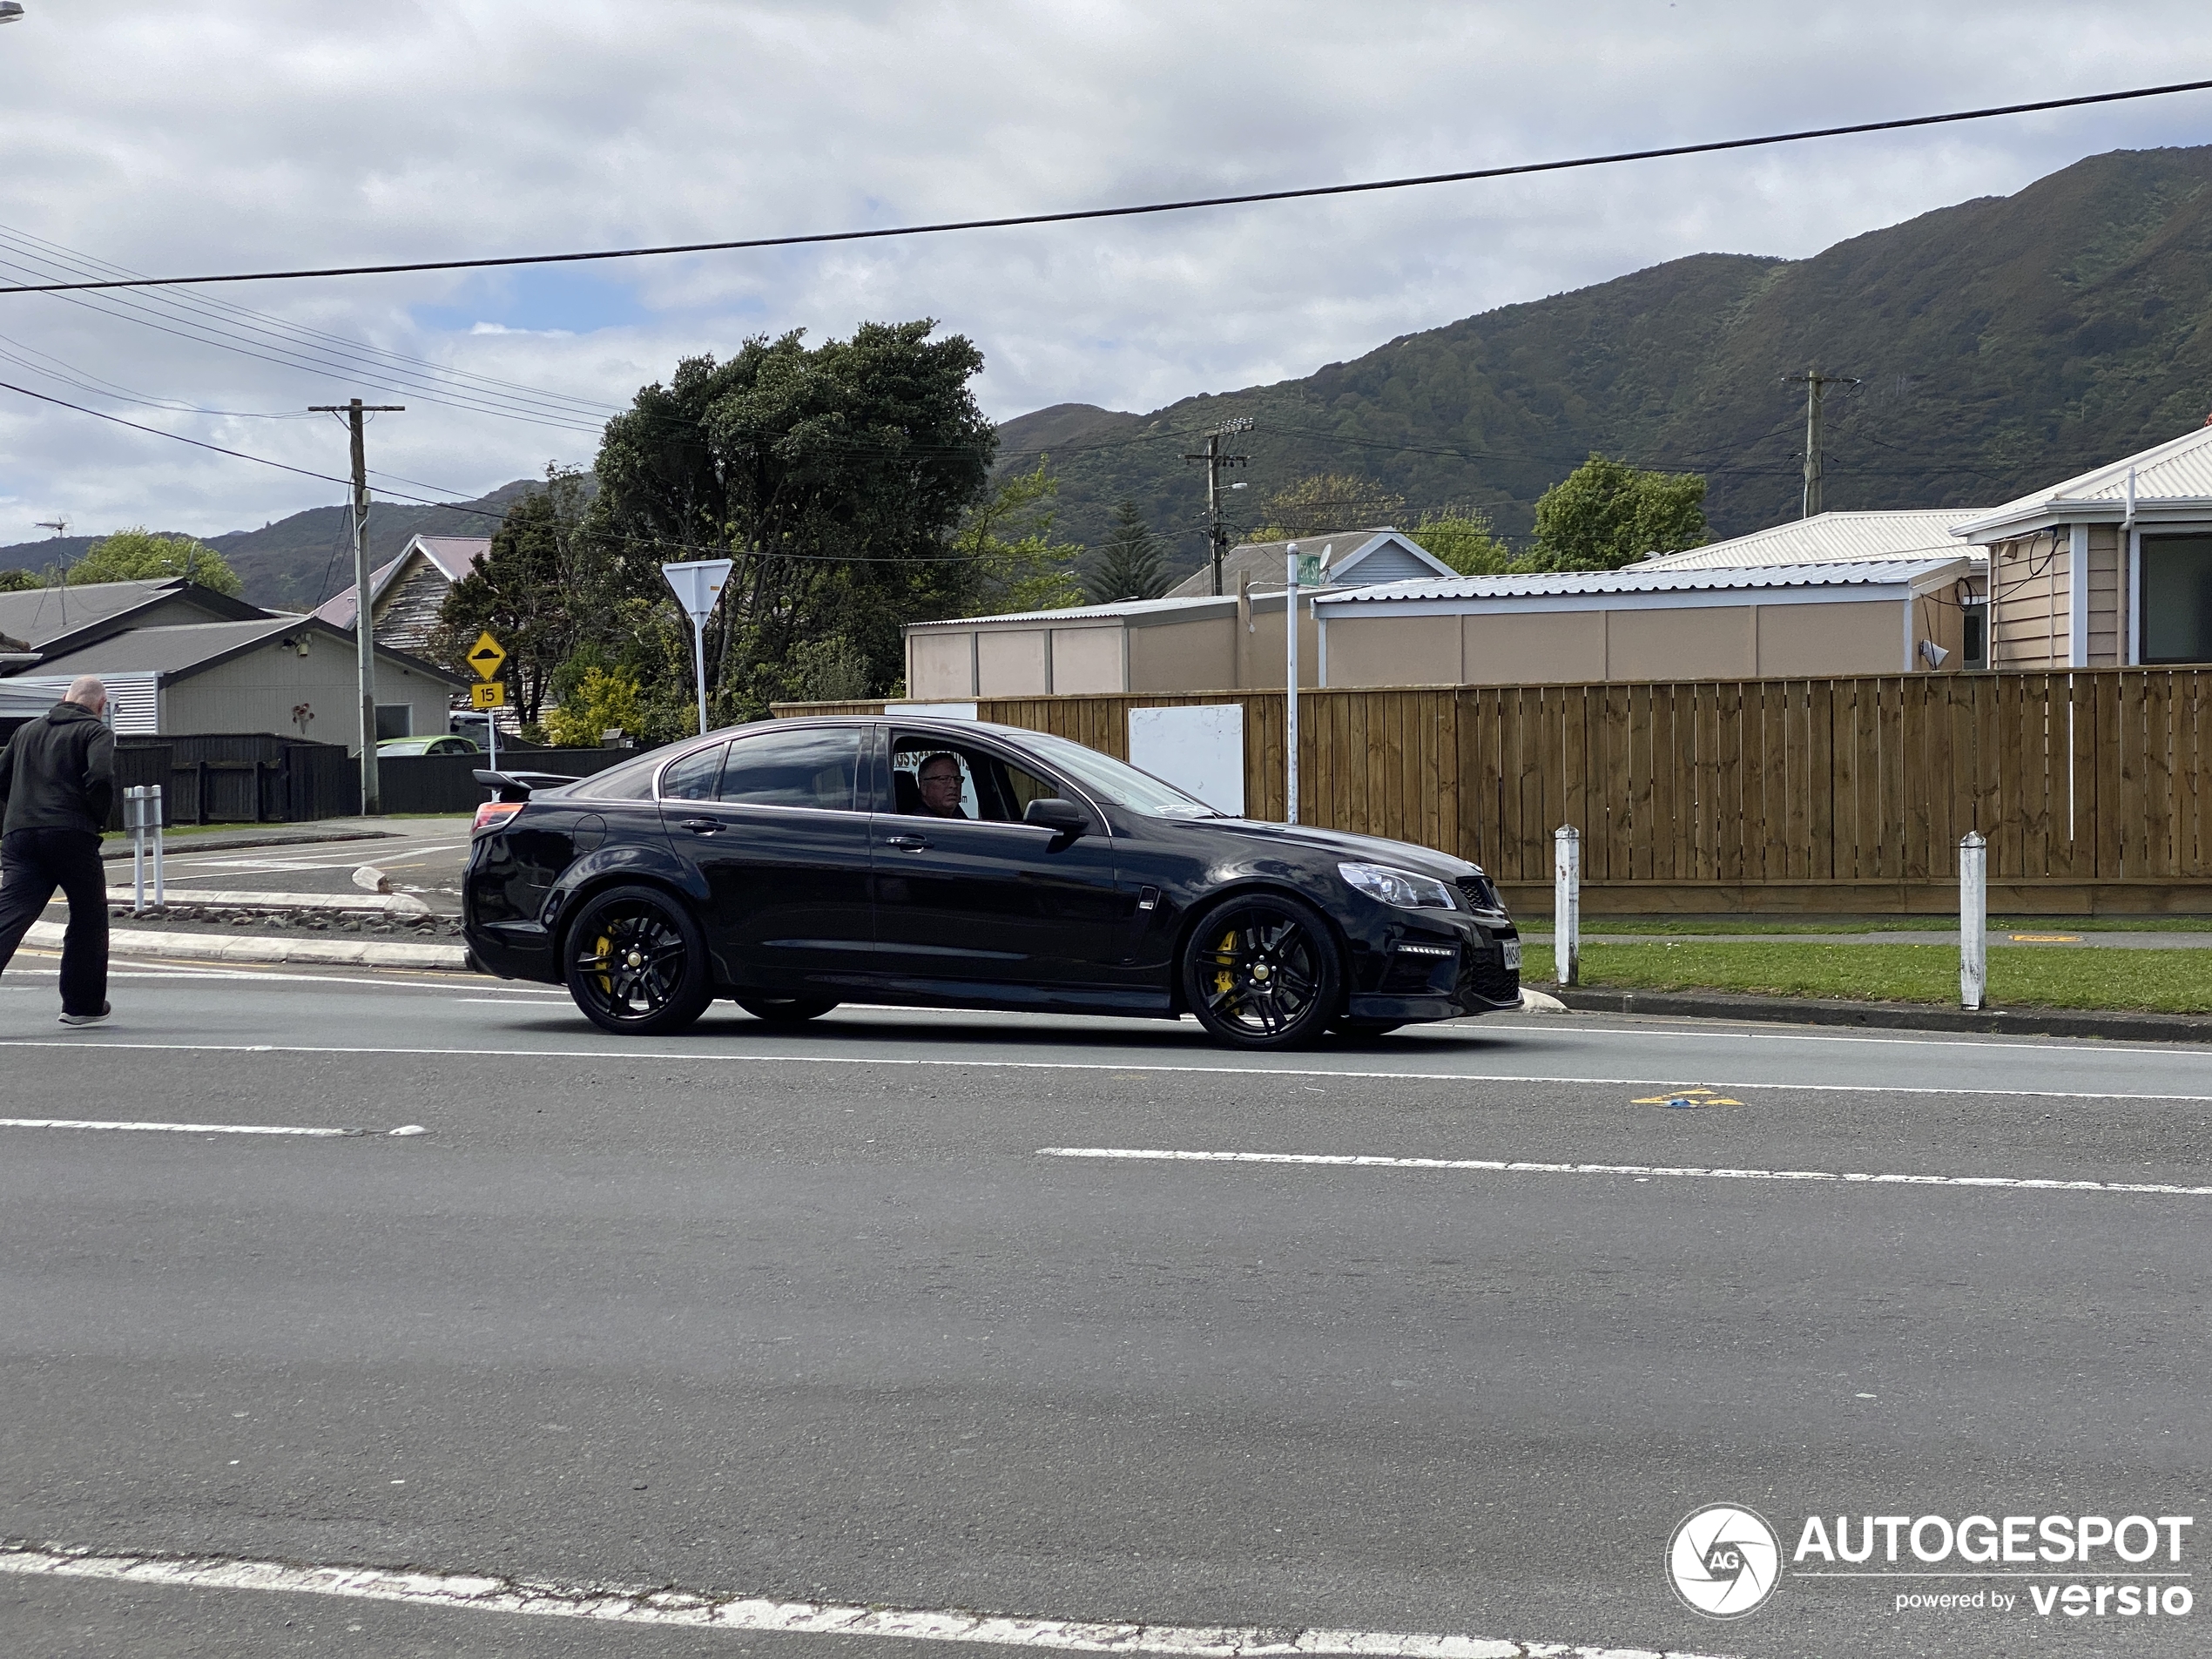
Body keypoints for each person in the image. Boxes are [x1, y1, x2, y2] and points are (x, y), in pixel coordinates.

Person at [0, 675, 116, 1026]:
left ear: (63, 697)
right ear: (100, 706)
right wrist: (95, 816)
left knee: (10, 915)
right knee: (87, 916)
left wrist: (20, 813)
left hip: (20, 835)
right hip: (70, 833)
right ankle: (81, 1005)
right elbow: (100, 777)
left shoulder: (25, 732)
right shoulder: (96, 732)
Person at [914, 752, 970, 819]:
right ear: (923, 787)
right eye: (944, 779)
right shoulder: (920, 823)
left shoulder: (956, 813)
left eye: (957, 779)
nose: (954, 785)